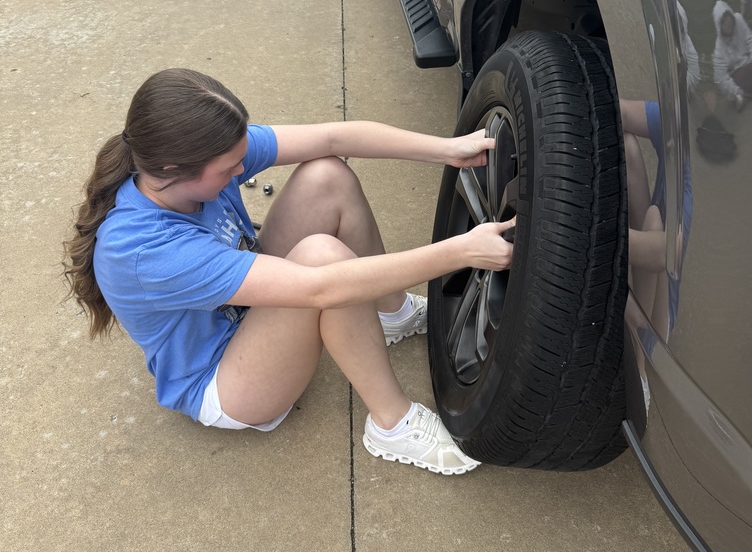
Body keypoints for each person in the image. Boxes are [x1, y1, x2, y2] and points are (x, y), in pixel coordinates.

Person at [63, 69, 515, 476]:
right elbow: (321, 286)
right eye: (229, 169)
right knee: (324, 259)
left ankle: (391, 313)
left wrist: (448, 150)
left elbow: (334, 140)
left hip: (249, 305)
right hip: (222, 380)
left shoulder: (186, 162)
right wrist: (460, 252)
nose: (243, 171)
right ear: (171, 171)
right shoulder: (142, 250)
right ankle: (391, 423)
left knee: (326, 175)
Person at [712, 0, 752, 108]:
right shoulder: (719, 49)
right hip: (739, 73)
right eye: (723, 22)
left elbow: (750, 41)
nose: (727, 23)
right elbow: (720, 78)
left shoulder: (738, 20)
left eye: (728, 18)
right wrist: (737, 92)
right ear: (719, 25)